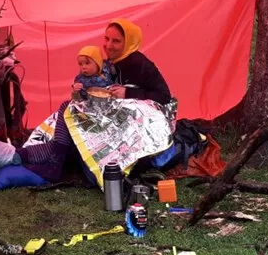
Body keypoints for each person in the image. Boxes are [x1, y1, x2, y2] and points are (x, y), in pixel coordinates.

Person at [18, 18, 171, 182]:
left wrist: (129, 92)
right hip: (110, 120)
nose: (108, 45)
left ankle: (45, 161)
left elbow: (164, 96)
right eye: (106, 38)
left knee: (69, 117)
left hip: (133, 126)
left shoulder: (140, 64)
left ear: (129, 43)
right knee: (70, 128)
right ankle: (21, 155)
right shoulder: (108, 63)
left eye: (116, 41)